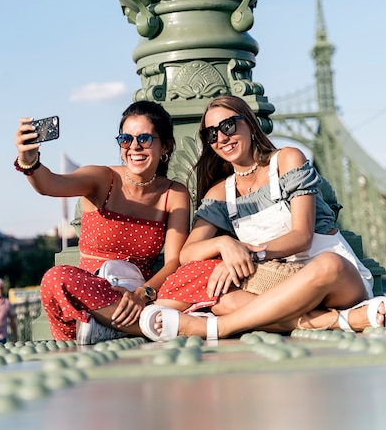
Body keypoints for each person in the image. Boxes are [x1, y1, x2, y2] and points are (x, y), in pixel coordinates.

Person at [138, 95, 386, 341]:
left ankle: (218, 328)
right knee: (222, 299)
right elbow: (187, 254)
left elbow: (302, 237)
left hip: (333, 280)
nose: (221, 138)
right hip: (277, 282)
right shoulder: (221, 194)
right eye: (211, 134)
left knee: (329, 265)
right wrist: (223, 244)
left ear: (249, 123)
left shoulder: (287, 160)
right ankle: (338, 321)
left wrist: (249, 253)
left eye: (228, 126)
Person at [14, 101, 190, 343]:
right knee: (55, 279)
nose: (134, 147)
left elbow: (173, 262)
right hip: (91, 293)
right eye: (126, 139)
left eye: (145, 139)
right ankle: (142, 328)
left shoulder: (174, 193)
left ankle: (106, 326)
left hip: (138, 296)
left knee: (202, 274)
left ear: (166, 146)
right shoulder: (102, 178)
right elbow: (49, 184)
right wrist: (30, 161)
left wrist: (142, 294)